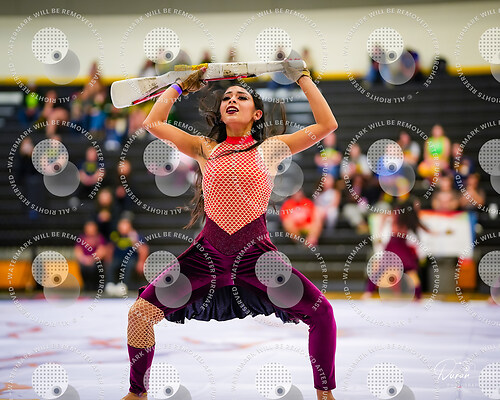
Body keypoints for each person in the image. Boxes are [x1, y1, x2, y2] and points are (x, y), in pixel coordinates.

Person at [121, 61, 339, 400]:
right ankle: (137, 394)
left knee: (321, 313)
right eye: (226, 98)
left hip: (258, 258)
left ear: (256, 114)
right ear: (221, 113)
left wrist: (303, 78)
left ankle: (325, 394)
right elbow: (153, 123)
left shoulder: (270, 149)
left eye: (241, 97)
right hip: (205, 255)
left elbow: (327, 124)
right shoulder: (204, 148)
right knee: (139, 314)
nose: (232, 100)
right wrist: (178, 86)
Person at [362, 200, 428, 301]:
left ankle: (368, 293)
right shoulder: (403, 215)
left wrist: (380, 231)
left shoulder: (406, 216)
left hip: (397, 245)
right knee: (410, 272)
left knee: (380, 270)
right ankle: (418, 297)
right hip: (398, 246)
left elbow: (385, 219)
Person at [75, 220, 107, 291]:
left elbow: (101, 251)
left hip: (95, 260)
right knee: (83, 267)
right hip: (85, 260)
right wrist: (84, 259)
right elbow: (78, 251)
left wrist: (92, 259)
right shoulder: (81, 238)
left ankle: (95, 286)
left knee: (94, 267)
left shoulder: (100, 238)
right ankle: (86, 285)